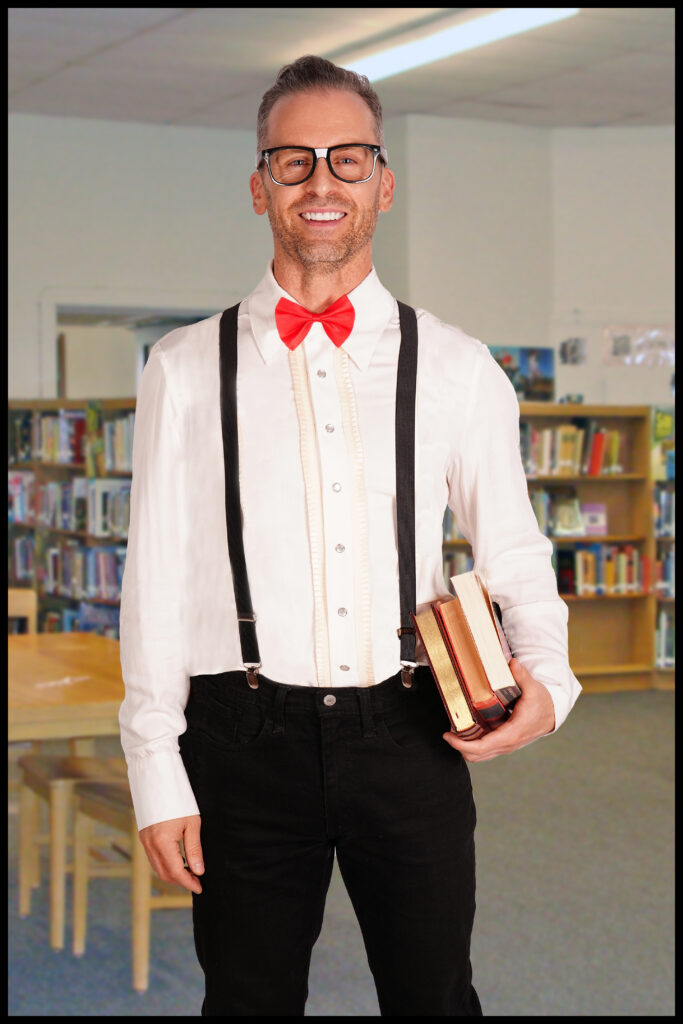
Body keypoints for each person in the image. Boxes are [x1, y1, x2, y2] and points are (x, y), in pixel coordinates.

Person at [118, 54, 581, 1017]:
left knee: (433, 996)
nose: (321, 180)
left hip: (406, 732)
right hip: (239, 735)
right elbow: (154, 582)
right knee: (246, 1000)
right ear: (258, 185)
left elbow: (515, 553)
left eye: (348, 158)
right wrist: (156, 770)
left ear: (384, 182)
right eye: (293, 160)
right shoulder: (183, 367)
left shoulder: (456, 367)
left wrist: (551, 678)